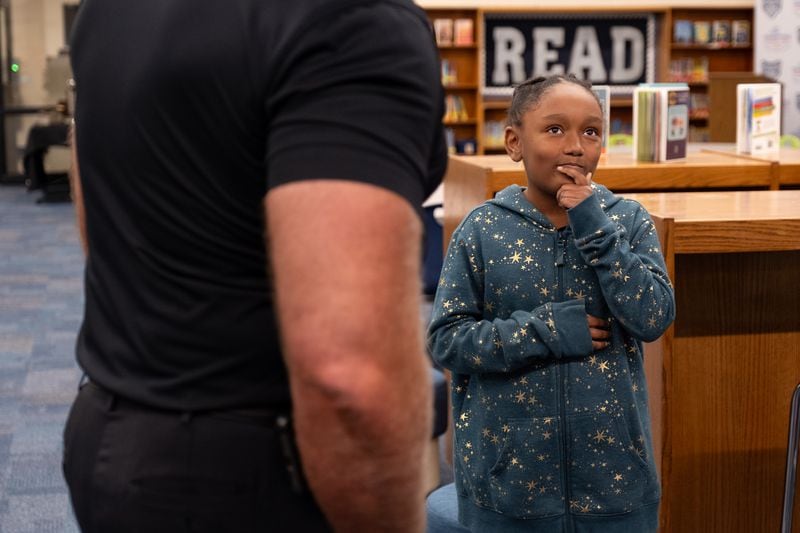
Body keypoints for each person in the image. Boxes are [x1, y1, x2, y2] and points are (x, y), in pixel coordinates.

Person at [64, 1, 446, 532]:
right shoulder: (352, 18)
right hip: (251, 474)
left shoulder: (107, 9)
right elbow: (349, 376)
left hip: (108, 431)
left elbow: (100, 217)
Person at [428, 74, 675, 532]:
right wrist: (545, 332)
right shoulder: (482, 230)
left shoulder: (628, 221)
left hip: (614, 483)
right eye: (555, 129)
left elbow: (653, 315)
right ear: (514, 142)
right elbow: (446, 340)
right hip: (509, 485)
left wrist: (597, 229)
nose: (576, 146)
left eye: (591, 131)